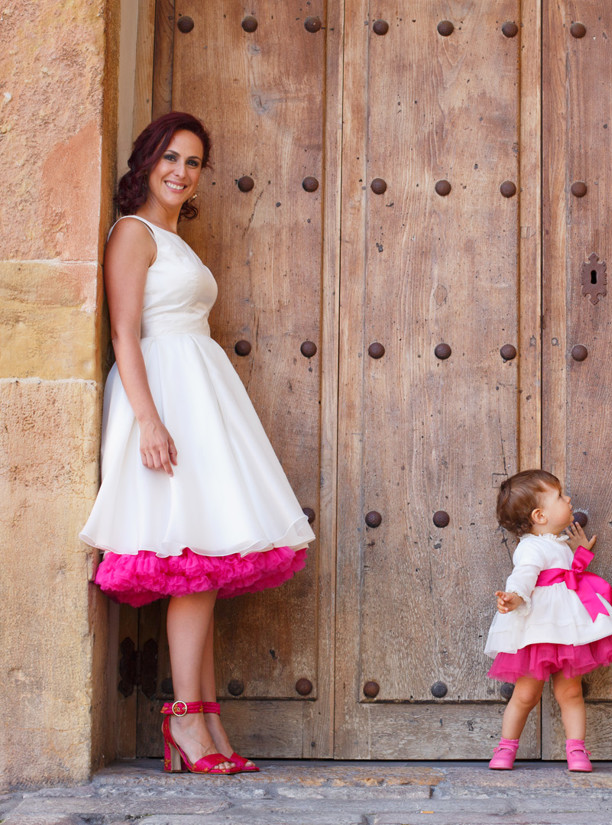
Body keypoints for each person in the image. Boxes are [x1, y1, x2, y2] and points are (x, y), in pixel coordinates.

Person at [80, 112, 315, 775]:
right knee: (189, 561)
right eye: (171, 158)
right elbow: (126, 332)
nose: (181, 171)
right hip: (165, 398)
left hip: (201, 396)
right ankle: (186, 719)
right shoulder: (132, 233)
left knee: (205, 565)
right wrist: (149, 420)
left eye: (193, 162)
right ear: (146, 162)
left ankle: (205, 718)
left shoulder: (175, 238)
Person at [484, 470, 612, 772]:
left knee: (570, 691)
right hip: (538, 632)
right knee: (526, 693)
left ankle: (577, 749)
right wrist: (514, 597)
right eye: (560, 496)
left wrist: (580, 552)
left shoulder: (556, 543)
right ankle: (506, 747)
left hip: (567, 633)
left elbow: (573, 574)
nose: (568, 499)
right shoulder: (530, 547)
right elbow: (523, 576)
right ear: (540, 515)